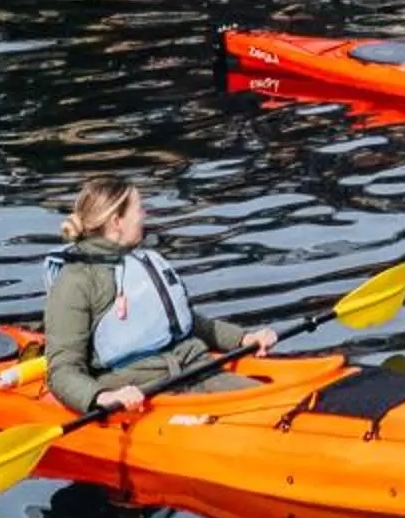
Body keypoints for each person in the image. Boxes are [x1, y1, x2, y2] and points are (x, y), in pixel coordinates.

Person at [39, 173, 277, 419]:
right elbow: (62, 371)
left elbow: (186, 323)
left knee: (285, 406)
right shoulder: (75, 282)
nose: (144, 215)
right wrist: (103, 397)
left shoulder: (142, 260)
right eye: (139, 209)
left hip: (195, 369)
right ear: (116, 221)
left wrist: (243, 339)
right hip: (144, 393)